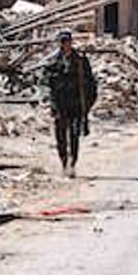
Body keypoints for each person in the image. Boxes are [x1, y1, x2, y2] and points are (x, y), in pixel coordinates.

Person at [43, 30, 97, 177]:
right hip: (59, 104)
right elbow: (44, 81)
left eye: (67, 42)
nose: (65, 45)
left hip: (75, 104)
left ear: (70, 42)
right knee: (60, 136)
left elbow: (91, 83)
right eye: (62, 42)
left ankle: (72, 162)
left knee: (74, 135)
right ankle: (64, 162)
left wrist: (88, 104)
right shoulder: (53, 61)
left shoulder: (80, 60)